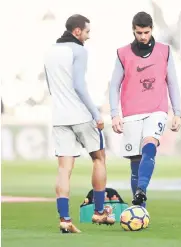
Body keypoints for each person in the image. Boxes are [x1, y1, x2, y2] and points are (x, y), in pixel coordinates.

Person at [44, 14, 114, 233]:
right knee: (99, 158)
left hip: (59, 117)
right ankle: (100, 212)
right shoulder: (79, 50)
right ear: (77, 31)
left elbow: (50, 86)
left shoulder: (50, 52)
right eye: (87, 32)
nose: (88, 36)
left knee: (64, 169)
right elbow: (79, 85)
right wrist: (96, 114)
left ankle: (65, 219)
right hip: (81, 115)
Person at [109, 12, 181, 206]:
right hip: (131, 112)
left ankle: (141, 189)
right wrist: (115, 114)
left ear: (151, 30)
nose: (143, 36)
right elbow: (113, 85)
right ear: (133, 30)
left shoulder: (164, 51)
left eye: (146, 32)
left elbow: (172, 82)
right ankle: (140, 209)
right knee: (135, 162)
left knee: (150, 145)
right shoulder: (123, 53)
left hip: (157, 109)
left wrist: (177, 112)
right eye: (139, 32)